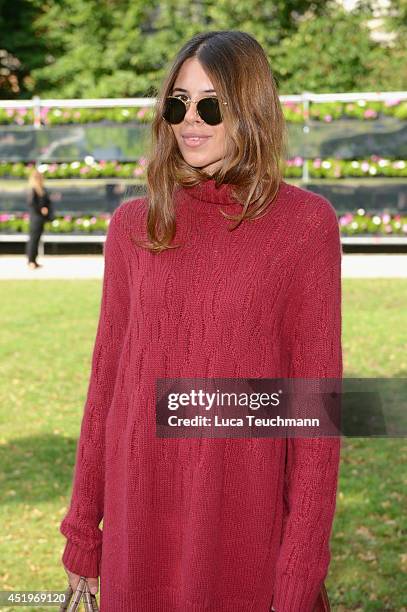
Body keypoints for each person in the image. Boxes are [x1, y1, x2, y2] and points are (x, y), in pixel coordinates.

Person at [60, 30, 342, 612]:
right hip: (139, 529)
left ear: (251, 110)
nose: (191, 120)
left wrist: (298, 574)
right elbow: (105, 387)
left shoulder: (306, 228)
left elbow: (316, 419)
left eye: (211, 104)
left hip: (241, 532)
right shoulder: (133, 226)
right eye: (178, 102)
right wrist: (84, 536)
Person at [26, 168, 51, 269]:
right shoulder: (33, 189)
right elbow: (32, 204)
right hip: (35, 218)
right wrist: (41, 209)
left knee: (37, 240)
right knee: (33, 240)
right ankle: (30, 260)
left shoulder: (41, 189)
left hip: (40, 218)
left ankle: (34, 260)